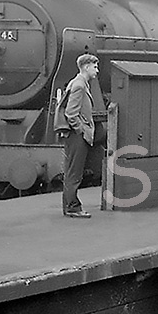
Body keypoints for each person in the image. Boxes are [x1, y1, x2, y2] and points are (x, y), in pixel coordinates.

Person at [55, 54, 100, 218]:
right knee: (74, 172)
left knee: (71, 171)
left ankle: (69, 206)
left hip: (75, 135)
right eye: (95, 67)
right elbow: (71, 113)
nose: (97, 70)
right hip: (77, 136)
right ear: (86, 67)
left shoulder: (78, 83)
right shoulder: (80, 85)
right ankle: (73, 207)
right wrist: (81, 130)